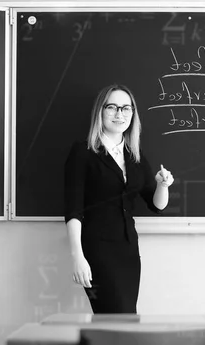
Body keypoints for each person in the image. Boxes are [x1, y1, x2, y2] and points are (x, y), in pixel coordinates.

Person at [64, 83, 174, 314]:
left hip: (128, 250)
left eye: (126, 108)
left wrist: (163, 185)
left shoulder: (134, 155)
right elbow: (73, 209)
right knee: (115, 317)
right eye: (112, 107)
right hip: (97, 250)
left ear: (133, 114)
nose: (119, 114)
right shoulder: (83, 152)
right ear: (100, 111)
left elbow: (156, 206)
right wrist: (77, 257)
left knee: (125, 319)